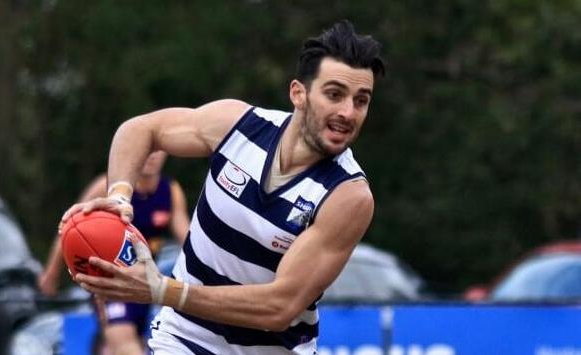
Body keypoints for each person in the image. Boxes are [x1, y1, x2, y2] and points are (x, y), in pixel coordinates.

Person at [64, 20, 384, 354]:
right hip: (182, 338)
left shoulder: (348, 195)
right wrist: (118, 194)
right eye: (334, 94)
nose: (348, 112)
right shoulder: (239, 125)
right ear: (298, 93)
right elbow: (140, 129)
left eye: (361, 101)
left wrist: (163, 291)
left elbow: (279, 306)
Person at [40, 151, 190, 355]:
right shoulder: (107, 186)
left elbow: (186, 236)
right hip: (109, 279)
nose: (151, 156)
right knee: (124, 342)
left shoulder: (170, 191)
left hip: (145, 281)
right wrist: (52, 273)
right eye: (146, 150)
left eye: (157, 150)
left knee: (125, 343)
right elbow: (70, 228)